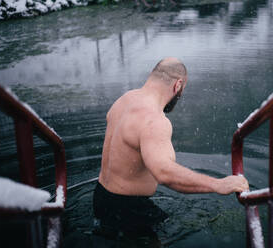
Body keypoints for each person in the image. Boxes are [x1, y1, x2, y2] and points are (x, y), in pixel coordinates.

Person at [93, 57, 249, 239]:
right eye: (182, 90)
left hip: (101, 197)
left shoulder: (124, 100)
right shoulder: (154, 121)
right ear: (178, 85)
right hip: (129, 210)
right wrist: (219, 184)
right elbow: (164, 173)